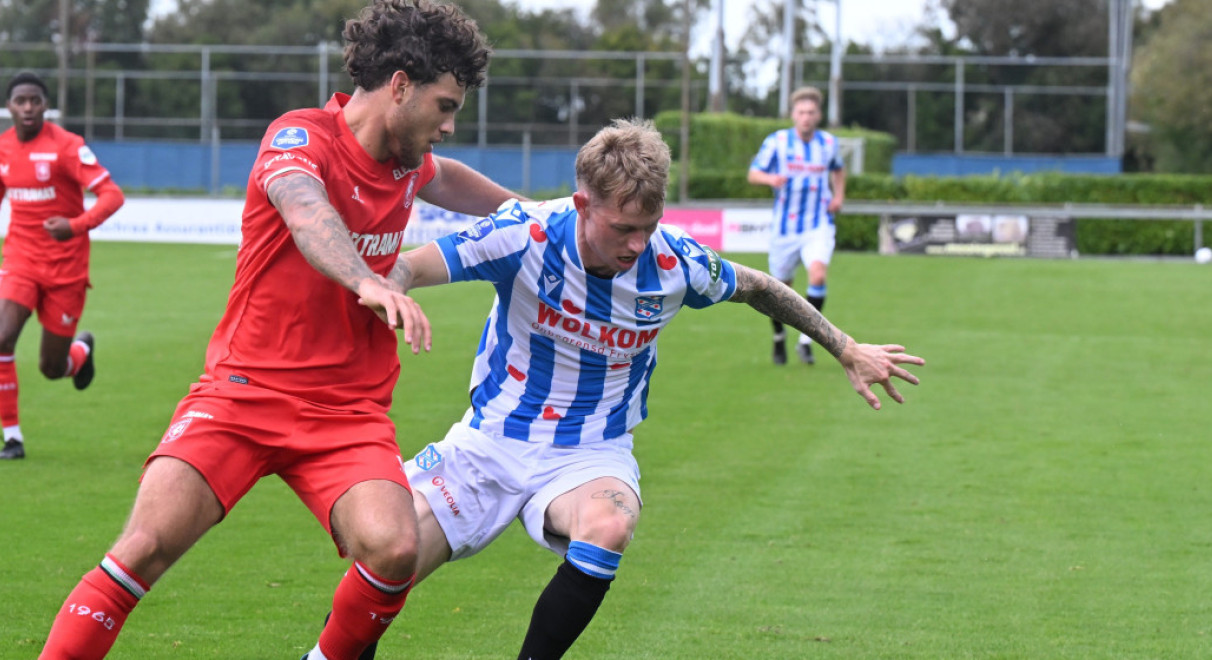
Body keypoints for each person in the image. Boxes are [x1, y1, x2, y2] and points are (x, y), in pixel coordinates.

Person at [35, 1, 518, 659]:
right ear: (400, 85)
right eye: (444, 104)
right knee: (141, 549)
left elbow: (452, 181)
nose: (450, 124)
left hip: (346, 411)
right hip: (241, 392)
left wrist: (541, 218)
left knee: (395, 548)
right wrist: (367, 279)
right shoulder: (300, 138)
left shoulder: (409, 160)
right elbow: (303, 208)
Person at [363, 118, 922, 659]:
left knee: (608, 524)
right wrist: (395, 289)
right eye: (623, 228)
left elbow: (756, 286)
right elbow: (415, 264)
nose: (637, 244)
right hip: (489, 443)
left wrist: (844, 347)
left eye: (648, 226)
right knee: (388, 560)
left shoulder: (674, 260)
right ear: (583, 206)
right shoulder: (525, 233)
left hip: (590, 452)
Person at [0, 71, 125, 460]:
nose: (28, 107)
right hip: (21, 260)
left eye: (35, 100)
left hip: (67, 268)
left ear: (45, 106)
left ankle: (81, 352)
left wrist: (74, 226)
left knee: (52, 367)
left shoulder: (68, 147)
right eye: (21, 100)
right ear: (9, 106)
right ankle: (12, 439)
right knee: (1, 337)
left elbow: (112, 195)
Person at [747, 86, 846, 366]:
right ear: (793, 114)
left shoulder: (828, 143)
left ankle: (806, 339)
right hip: (785, 229)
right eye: (801, 112)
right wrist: (770, 180)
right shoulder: (777, 142)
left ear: (818, 115)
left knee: (817, 274)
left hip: (818, 224)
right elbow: (754, 173)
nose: (806, 117)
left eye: (811, 112)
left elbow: (838, 169)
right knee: (780, 292)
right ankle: (779, 337)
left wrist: (838, 195)